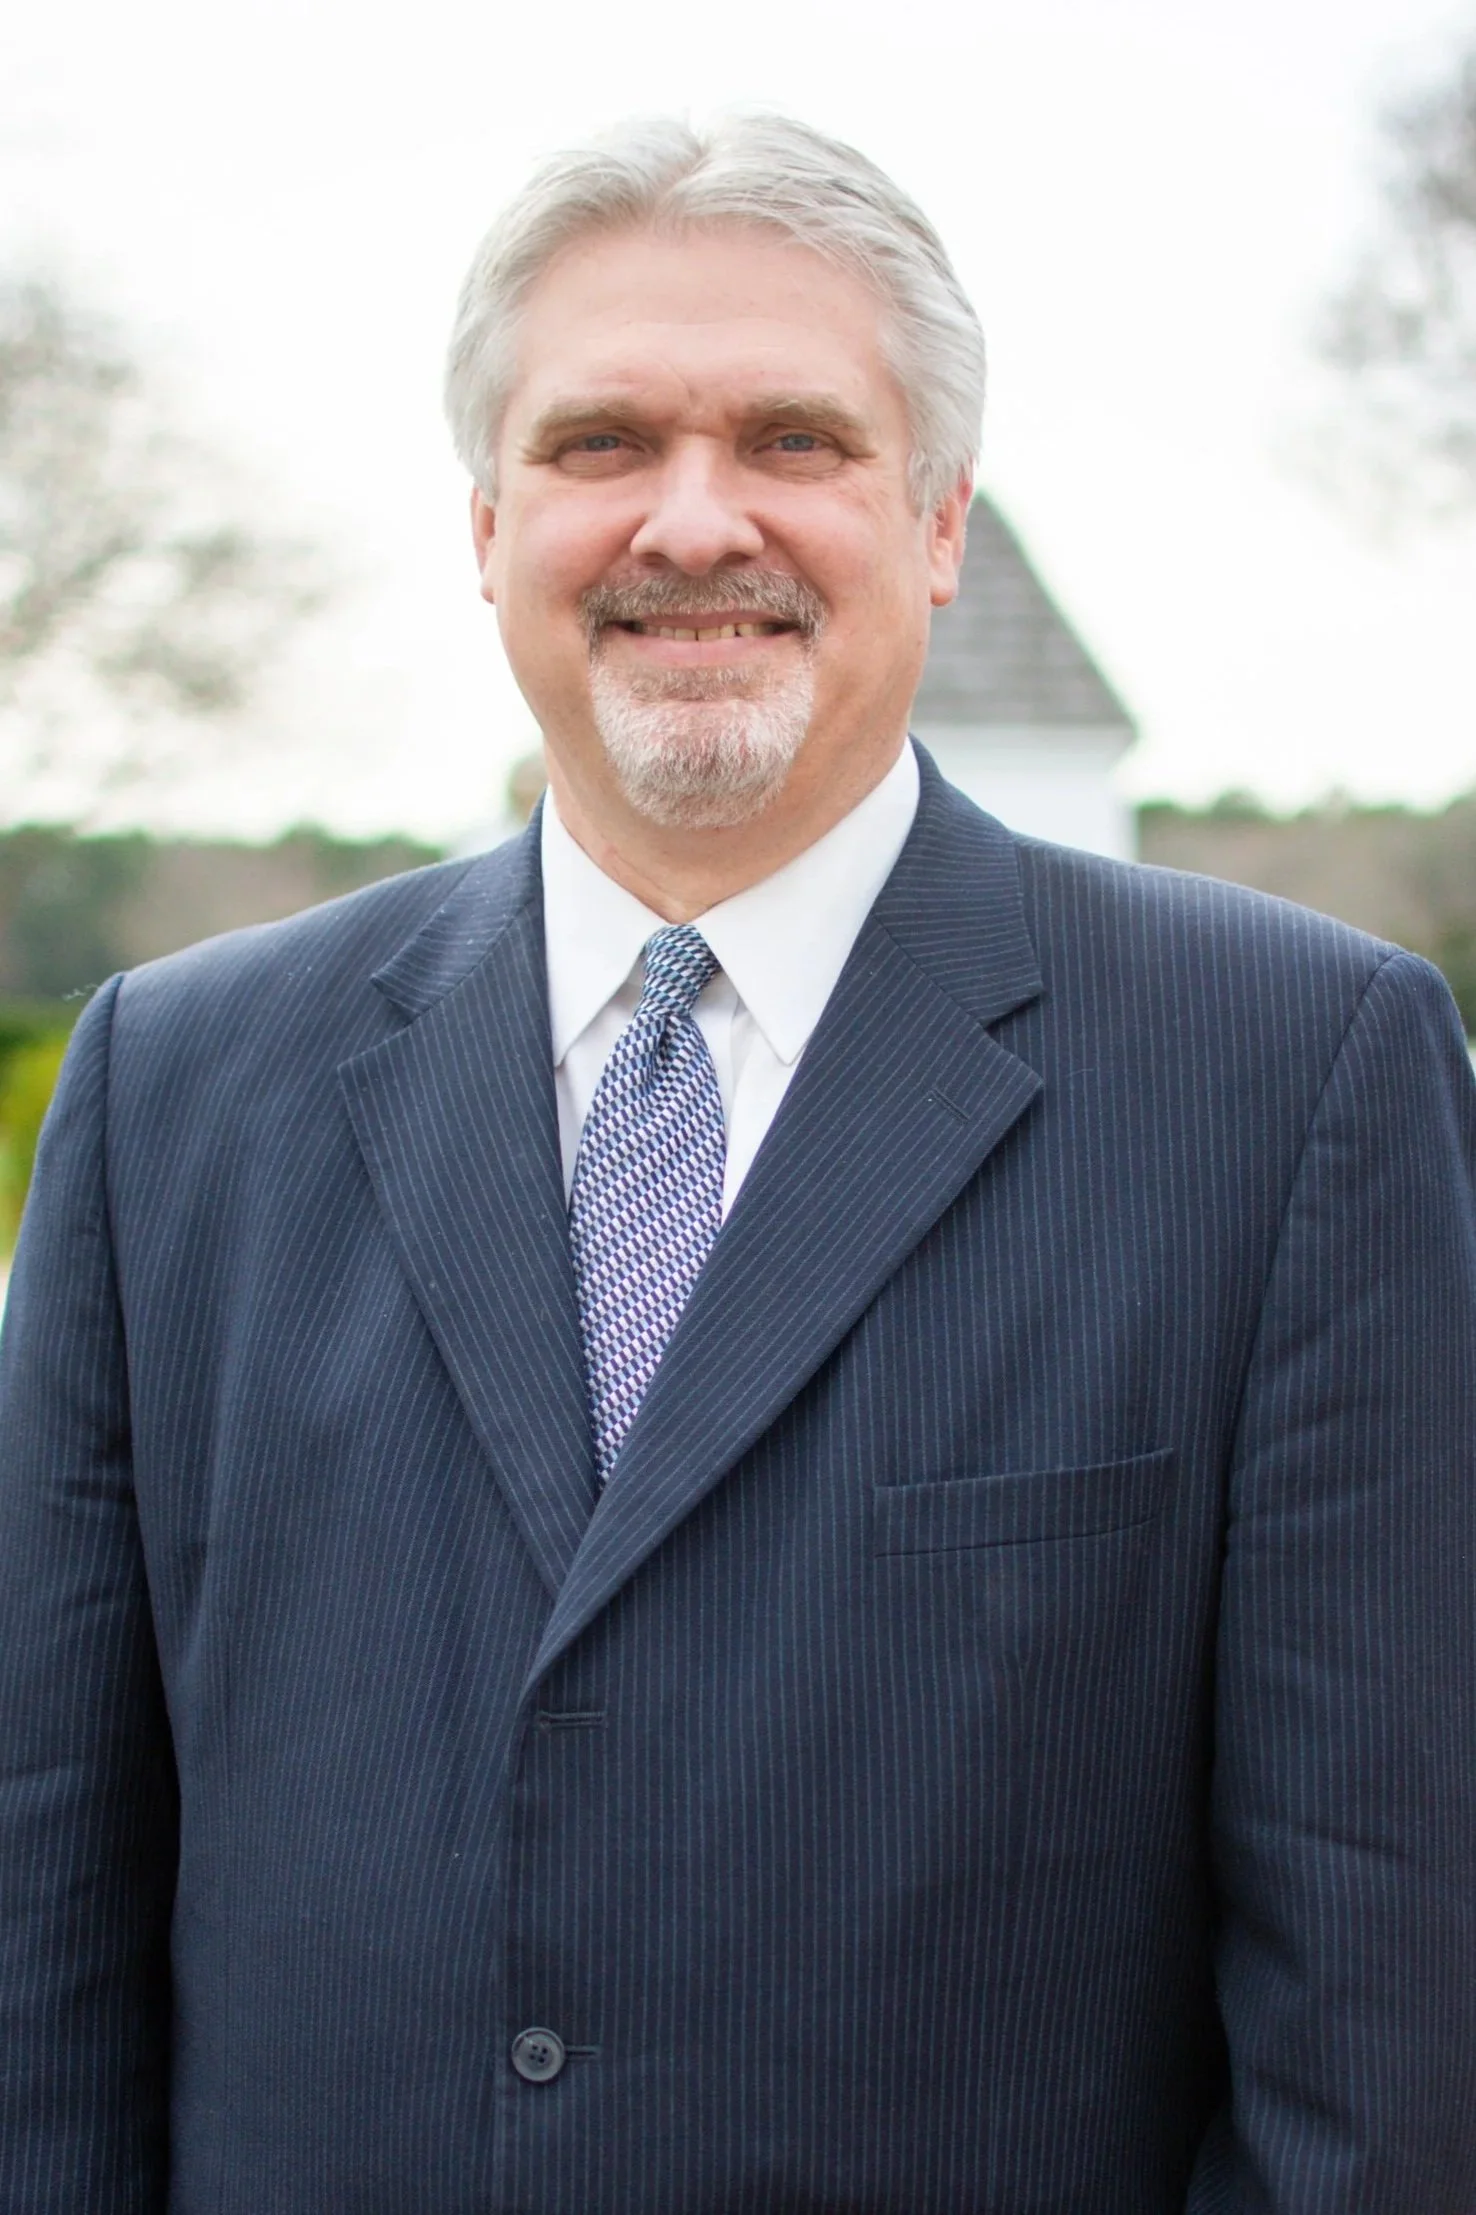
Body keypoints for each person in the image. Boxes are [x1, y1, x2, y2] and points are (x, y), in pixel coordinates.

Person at [2, 113, 1474, 2215]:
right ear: (490, 522)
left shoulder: (1294, 1080)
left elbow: (1383, 2008)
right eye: (602, 442)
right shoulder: (173, 1093)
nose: (695, 522)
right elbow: (42, 1919)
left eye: (794, 438)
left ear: (940, 520)